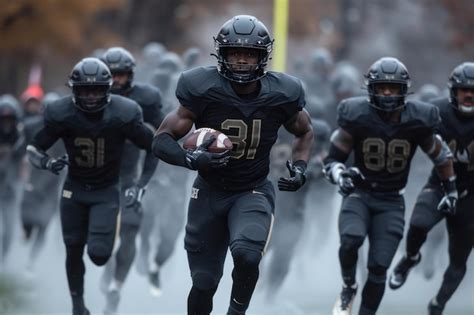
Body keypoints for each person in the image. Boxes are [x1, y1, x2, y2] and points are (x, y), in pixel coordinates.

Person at [152, 15, 313, 315]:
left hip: (252, 190)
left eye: (249, 54)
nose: (241, 61)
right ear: (221, 55)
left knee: (248, 255)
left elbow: (304, 130)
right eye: (234, 53)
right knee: (203, 283)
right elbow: (161, 139)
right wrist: (189, 159)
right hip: (209, 192)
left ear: (262, 57)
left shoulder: (282, 93)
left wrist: (301, 167)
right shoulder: (201, 87)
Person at [323, 57, 457, 315]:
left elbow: (441, 157)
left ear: (404, 90)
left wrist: (450, 190)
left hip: (391, 201)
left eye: (393, 88)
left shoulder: (418, 119)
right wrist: (341, 175)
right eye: (382, 87)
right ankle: (349, 285)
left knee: (379, 266)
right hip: (359, 194)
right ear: (371, 88)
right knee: (350, 240)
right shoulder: (357, 115)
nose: (386, 94)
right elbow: (332, 159)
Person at [26, 57, 154, 315]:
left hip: (107, 191)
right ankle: (78, 306)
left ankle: (108, 285)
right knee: (73, 248)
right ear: (74, 89)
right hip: (73, 190)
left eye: (97, 90)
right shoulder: (60, 113)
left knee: (98, 254)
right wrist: (47, 163)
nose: (91, 97)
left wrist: (142, 183)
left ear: (108, 89)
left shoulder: (124, 113)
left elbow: (155, 146)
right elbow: (33, 148)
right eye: (85, 90)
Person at [389, 62, 474, 315]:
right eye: (463, 90)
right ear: (453, 92)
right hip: (439, 184)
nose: (469, 95)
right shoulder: (435, 111)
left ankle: (438, 305)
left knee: (458, 258)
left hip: (471, 195)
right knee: (417, 224)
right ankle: (411, 257)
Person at [99, 46, 163, 314]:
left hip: (127, 176)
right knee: (98, 242)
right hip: (95, 178)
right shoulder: (88, 97)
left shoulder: (145, 100)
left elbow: (159, 140)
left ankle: (116, 285)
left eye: (121, 75)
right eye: (111, 75)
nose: (115, 81)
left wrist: (143, 183)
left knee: (130, 230)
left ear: (131, 75)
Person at [0, 95, 25, 267]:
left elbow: (24, 164)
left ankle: (4, 258)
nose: (6, 123)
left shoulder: (21, 137)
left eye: (9, 119)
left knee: (10, 226)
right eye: (3, 119)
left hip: (10, 189)